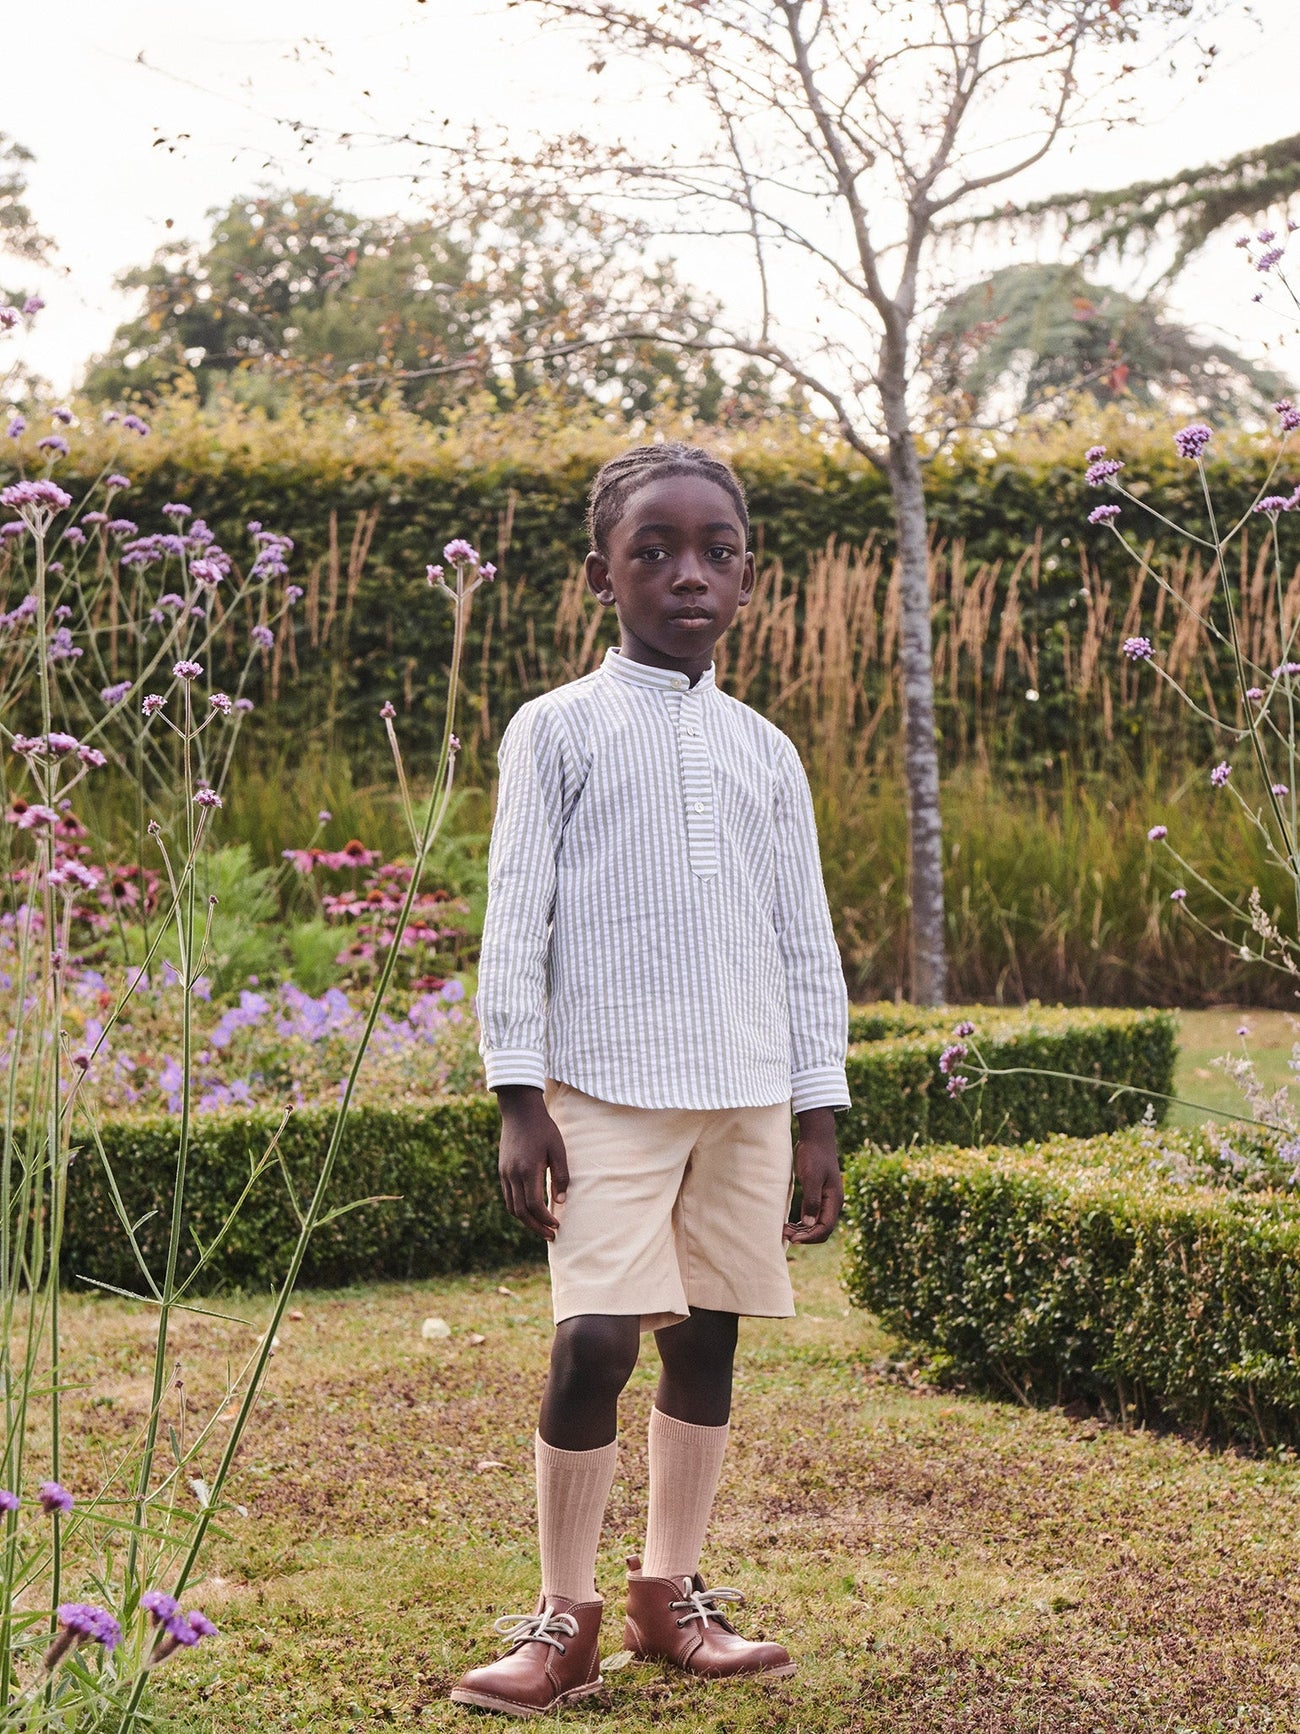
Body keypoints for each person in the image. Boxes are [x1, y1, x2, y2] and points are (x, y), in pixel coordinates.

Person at [450, 442, 849, 1718]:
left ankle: (666, 1598)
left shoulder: (763, 750)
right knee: (595, 1341)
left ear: (747, 574)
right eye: (655, 552)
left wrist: (817, 1108)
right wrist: (519, 1090)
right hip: (605, 1088)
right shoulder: (555, 729)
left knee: (711, 1330)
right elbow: (515, 917)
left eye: (716, 553)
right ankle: (560, 1617)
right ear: (600, 575)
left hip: (739, 1089)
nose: (690, 575)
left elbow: (803, 936)